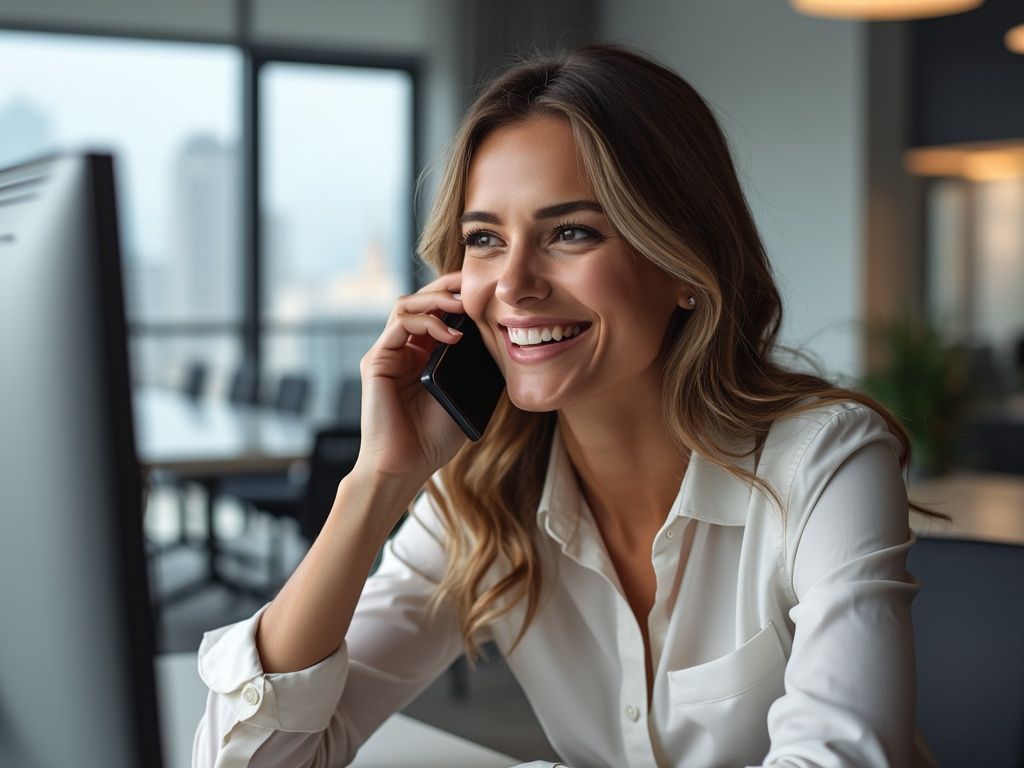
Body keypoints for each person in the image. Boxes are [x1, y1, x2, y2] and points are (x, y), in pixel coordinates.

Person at [193, 43, 936, 767]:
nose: (513, 284)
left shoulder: (824, 462)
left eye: (570, 232)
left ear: (683, 263)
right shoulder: (479, 492)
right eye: (484, 239)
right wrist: (377, 484)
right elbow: (256, 760)